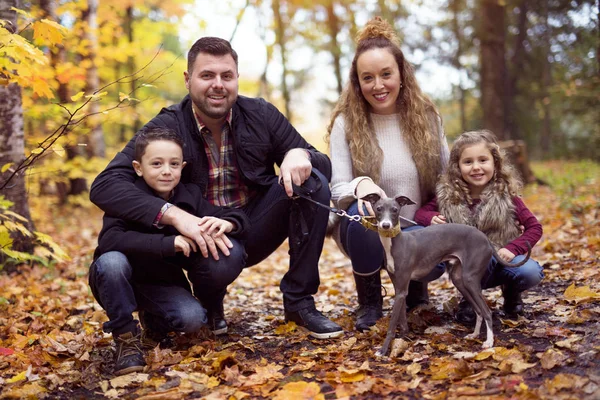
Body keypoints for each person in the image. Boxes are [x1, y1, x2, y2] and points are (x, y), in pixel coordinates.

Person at [90, 37, 344, 342]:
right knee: (223, 259)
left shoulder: (261, 114)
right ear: (188, 80)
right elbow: (105, 184)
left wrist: (298, 154)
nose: (218, 85)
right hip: (200, 235)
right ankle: (210, 303)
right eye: (207, 75)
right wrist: (172, 215)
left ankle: (299, 303)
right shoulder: (168, 126)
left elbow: (322, 163)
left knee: (312, 180)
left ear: (236, 78)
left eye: (227, 75)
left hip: (251, 223)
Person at [90, 127, 249, 375]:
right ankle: (125, 338)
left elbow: (234, 215)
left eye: (174, 164)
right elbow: (110, 240)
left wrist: (229, 222)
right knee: (112, 262)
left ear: (182, 167)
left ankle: (155, 321)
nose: (166, 170)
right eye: (156, 163)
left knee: (192, 318)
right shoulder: (128, 197)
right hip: (117, 280)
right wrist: (168, 243)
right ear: (138, 167)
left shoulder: (188, 196)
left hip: (160, 283)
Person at [327, 17, 450, 332]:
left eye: (386, 74)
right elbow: (338, 188)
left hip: (417, 230)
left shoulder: (427, 117)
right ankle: (369, 301)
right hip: (366, 230)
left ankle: (416, 291)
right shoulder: (347, 122)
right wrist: (361, 185)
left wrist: (441, 216)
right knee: (360, 210)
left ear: (401, 74)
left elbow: (448, 179)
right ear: (357, 81)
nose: (378, 85)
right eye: (367, 78)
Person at [414, 129, 544, 322]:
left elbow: (535, 228)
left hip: (502, 260)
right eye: (468, 162)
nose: (476, 167)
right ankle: (469, 300)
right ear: (457, 167)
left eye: (483, 160)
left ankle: (511, 294)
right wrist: (431, 218)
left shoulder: (507, 196)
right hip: (465, 265)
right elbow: (420, 213)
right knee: (475, 257)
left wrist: (512, 248)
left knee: (530, 272)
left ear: (495, 163)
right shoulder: (447, 196)